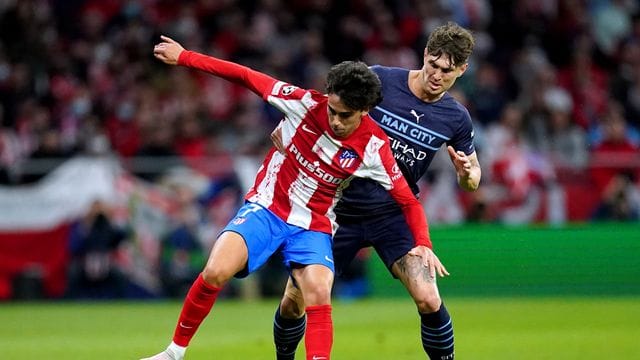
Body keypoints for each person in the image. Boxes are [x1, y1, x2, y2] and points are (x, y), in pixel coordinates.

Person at [143, 35, 448, 360]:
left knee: (317, 293)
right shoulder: (302, 102)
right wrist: (185, 56)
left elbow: (408, 201)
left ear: (365, 110)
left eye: (345, 115)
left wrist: (424, 243)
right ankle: (173, 353)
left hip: (313, 225)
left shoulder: (374, 147)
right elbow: (245, 75)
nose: (335, 120)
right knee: (216, 271)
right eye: (333, 110)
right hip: (267, 208)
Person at [271, 21, 481, 360]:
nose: (437, 75)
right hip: (335, 210)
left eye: (447, 70)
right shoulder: (381, 79)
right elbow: (329, 105)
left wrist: (468, 174)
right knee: (295, 301)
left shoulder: (456, 118)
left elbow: (473, 180)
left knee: (428, 297)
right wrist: (289, 129)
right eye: (433, 65)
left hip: (392, 214)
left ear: (462, 70)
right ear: (425, 54)